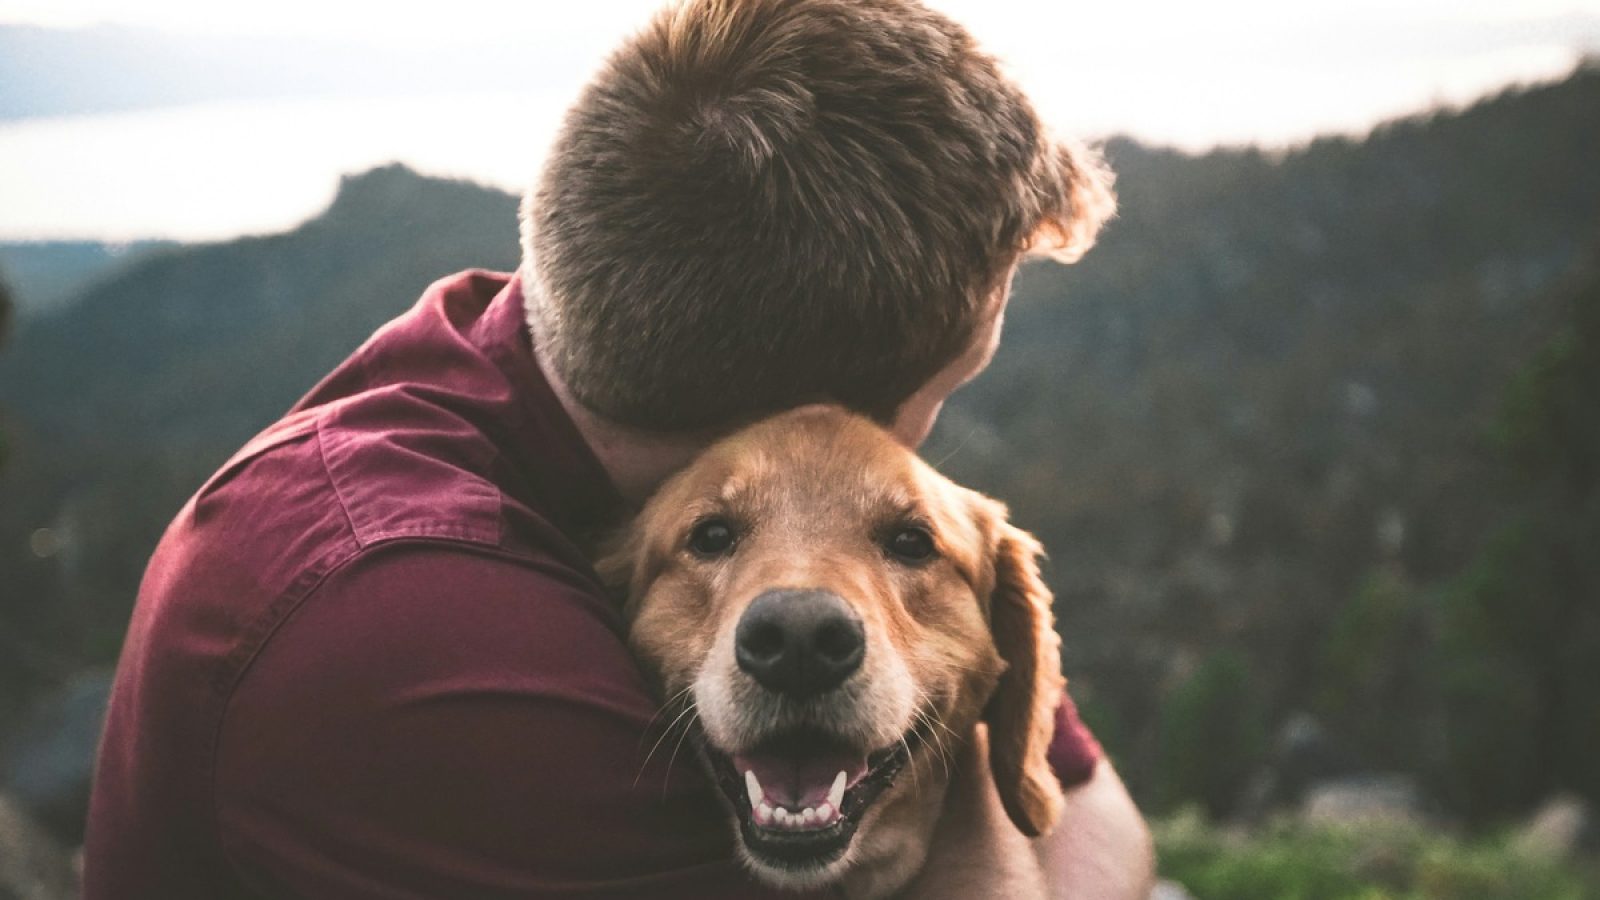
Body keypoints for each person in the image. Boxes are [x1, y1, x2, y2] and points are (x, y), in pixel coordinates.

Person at [83, 0, 1152, 896]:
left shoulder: (541, 353)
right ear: (806, 417)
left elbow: (1096, 813)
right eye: (949, 386)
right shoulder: (412, 638)